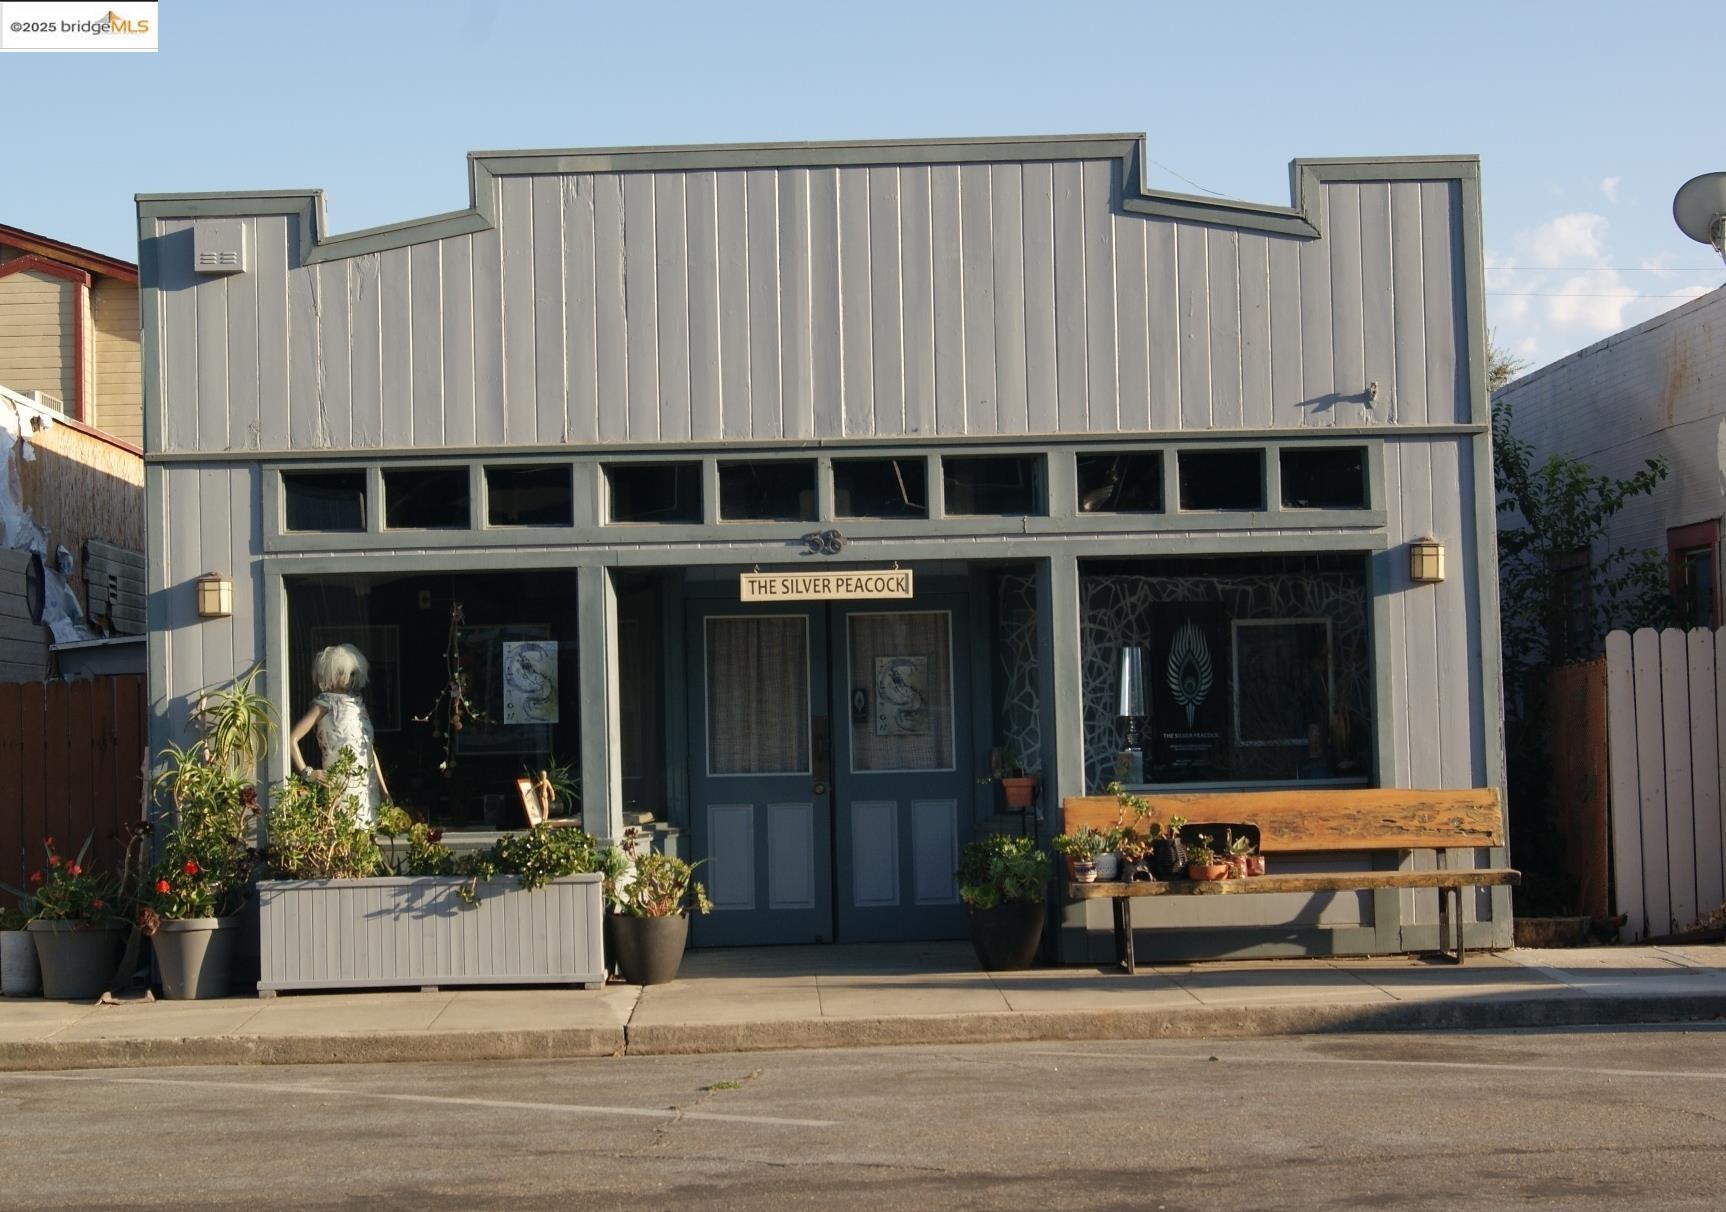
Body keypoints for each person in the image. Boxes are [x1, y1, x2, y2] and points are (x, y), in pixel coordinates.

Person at [289, 643, 390, 826]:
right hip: (339, 787)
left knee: (365, 842)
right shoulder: (324, 704)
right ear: (334, 673)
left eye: (354, 674)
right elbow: (292, 738)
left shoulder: (358, 704)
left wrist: (384, 791)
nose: (351, 679)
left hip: (367, 789)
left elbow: (367, 750)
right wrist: (308, 773)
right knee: (341, 839)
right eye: (347, 673)